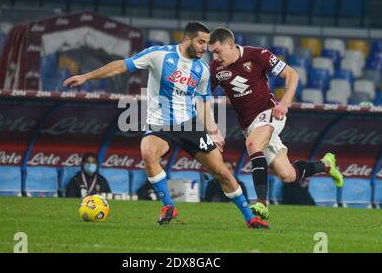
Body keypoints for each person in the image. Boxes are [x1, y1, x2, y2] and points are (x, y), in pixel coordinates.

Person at [64, 22, 268, 229]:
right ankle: (168, 206)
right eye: (200, 42)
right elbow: (121, 65)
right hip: (160, 124)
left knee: (222, 172)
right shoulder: (159, 55)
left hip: (189, 125)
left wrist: (214, 131)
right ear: (187, 39)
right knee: (148, 151)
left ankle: (250, 217)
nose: (204, 48)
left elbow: (204, 102)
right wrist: (86, 76)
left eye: (206, 43)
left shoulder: (203, 70)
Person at [208, 28, 344, 220]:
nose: (215, 56)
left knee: (253, 145)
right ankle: (326, 165)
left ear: (230, 44)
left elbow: (292, 75)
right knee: (287, 175)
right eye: (211, 52)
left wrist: (284, 103)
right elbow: (203, 96)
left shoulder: (257, 55)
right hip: (249, 125)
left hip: (270, 113)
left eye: (217, 51)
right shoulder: (215, 68)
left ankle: (262, 203)